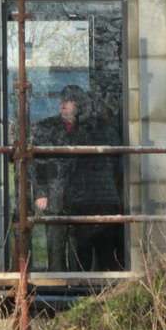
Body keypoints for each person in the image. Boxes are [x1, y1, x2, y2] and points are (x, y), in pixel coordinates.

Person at [31, 84, 125, 272]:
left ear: (79, 105)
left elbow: (103, 166)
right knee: (56, 247)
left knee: (77, 250)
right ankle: (56, 292)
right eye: (62, 101)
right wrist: (41, 193)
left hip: (81, 200)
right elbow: (37, 164)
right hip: (55, 198)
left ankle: (75, 290)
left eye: (69, 101)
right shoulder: (48, 128)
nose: (63, 105)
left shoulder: (91, 130)